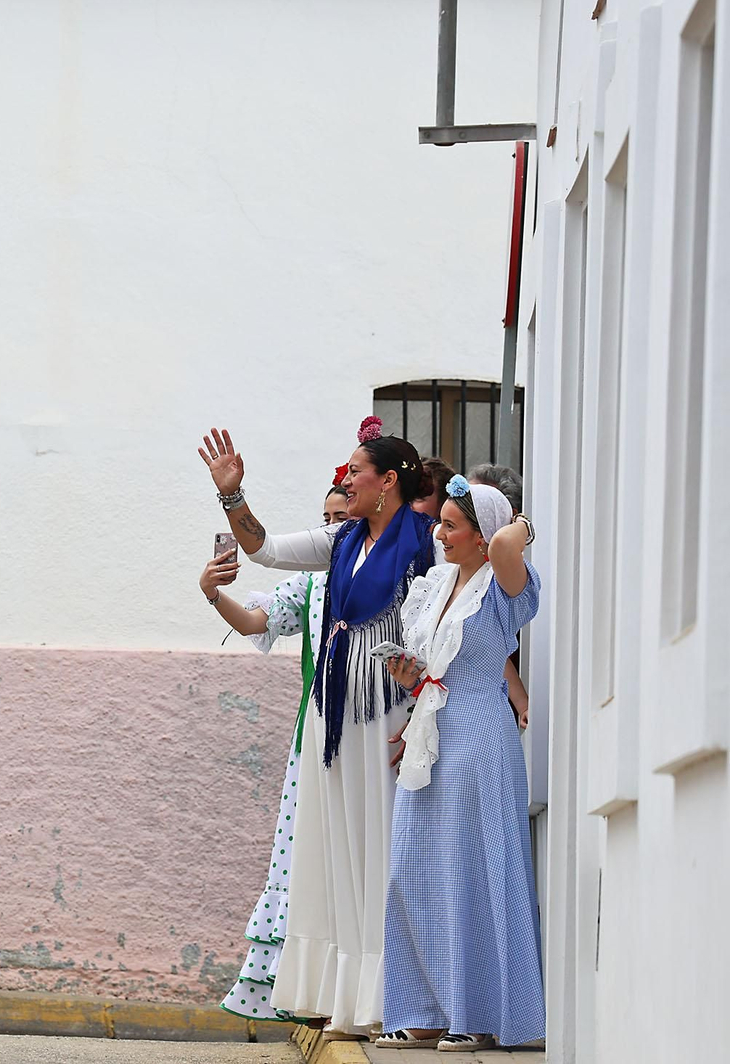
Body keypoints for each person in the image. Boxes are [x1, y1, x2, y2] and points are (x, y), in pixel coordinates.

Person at [200, 416, 436, 1039]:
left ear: (388, 481)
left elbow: (441, 625)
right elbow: (264, 549)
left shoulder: (424, 544)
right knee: (336, 853)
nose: (347, 480)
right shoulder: (341, 540)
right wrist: (232, 494)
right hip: (334, 717)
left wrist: (423, 710)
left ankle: (396, 1000)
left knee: (382, 850)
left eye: (356, 471)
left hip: (388, 714)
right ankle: (349, 999)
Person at [376, 477, 542, 1052]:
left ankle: (477, 1013)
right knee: (414, 870)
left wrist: (520, 523)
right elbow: (433, 666)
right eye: (440, 523)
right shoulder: (437, 584)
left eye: (451, 525)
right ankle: (424, 1010)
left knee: (471, 872)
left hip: (479, 740)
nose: (439, 534)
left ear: (482, 535)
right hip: (432, 735)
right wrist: (410, 676)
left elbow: (506, 545)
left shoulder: (504, 583)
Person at [201, 483, 349, 1023]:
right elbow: (254, 623)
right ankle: (312, 989)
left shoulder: (394, 575)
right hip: (317, 734)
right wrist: (212, 593)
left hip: (374, 730)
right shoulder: (309, 584)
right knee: (308, 856)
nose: (333, 527)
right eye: (326, 518)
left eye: (342, 516)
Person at [467, 463, 530, 729]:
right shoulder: (444, 575)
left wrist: (524, 525)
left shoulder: (511, 572)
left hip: (494, 712)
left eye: (477, 509)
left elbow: (493, 645)